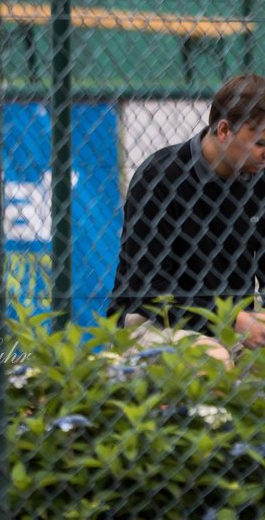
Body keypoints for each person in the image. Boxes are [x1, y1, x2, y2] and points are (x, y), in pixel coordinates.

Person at [109, 73, 265, 365]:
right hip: (154, 322)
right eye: (261, 143)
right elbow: (149, 290)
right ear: (223, 130)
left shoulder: (261, 182)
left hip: (233, 323)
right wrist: (233, 319)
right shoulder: (160, 176)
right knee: (214, 359)